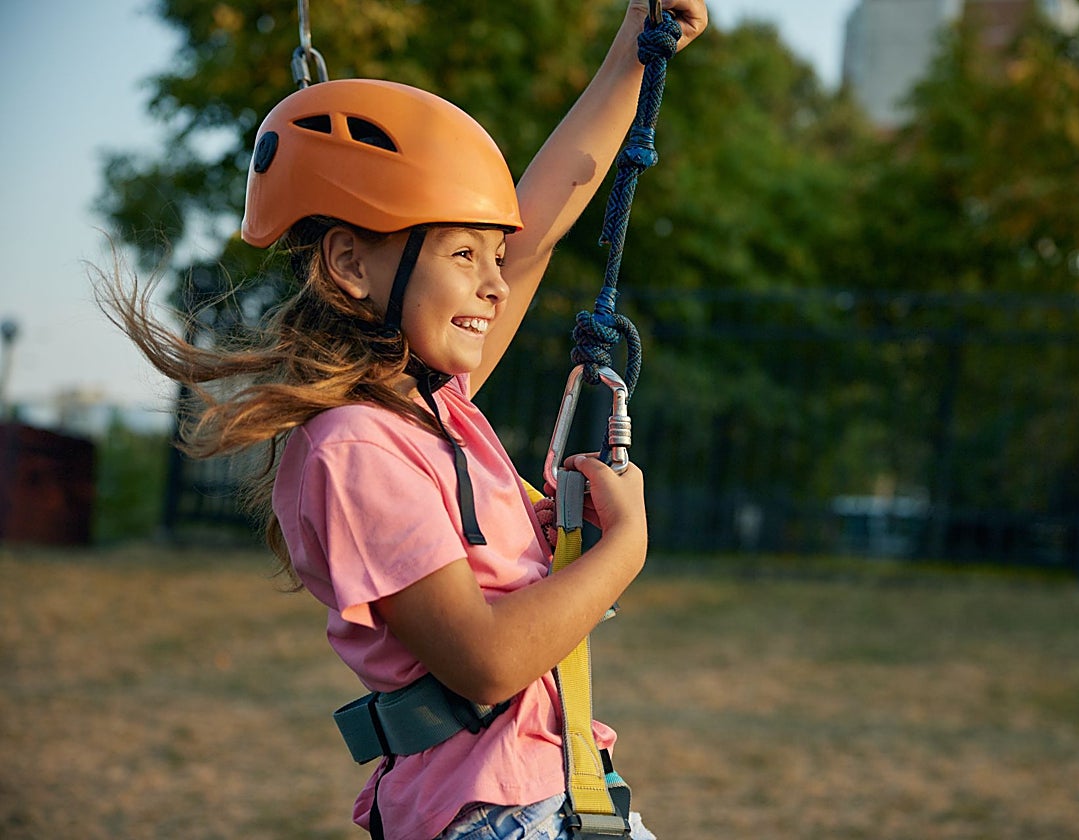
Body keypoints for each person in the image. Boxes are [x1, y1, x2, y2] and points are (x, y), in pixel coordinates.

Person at [97, 2, 707, 838]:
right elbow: (485, 662)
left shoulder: (429, 409)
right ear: (351, 262)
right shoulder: (352, 446)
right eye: (464, 254)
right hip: (496, 816)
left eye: (495, 258)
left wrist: (633, 49)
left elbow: (542, 219)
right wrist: (627, 549)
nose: (496, 284)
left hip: (557, 794)